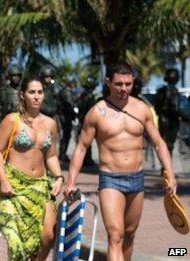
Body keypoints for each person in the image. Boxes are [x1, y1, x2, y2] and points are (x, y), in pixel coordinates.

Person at [64, 62, 178, 261]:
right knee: (115, 235)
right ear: (108, 82)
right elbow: (81, 147)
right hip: (110, 179)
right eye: (119, 84)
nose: (124, 89)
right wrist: (71, 181)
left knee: (130, 233)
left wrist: (170, 174)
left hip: (136, 177)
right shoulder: (97, 112)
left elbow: (159, 143)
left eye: (128, 84)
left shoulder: (142, 109)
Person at [0, 77, 64, 260]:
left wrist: (59, 177)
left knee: (48, 236)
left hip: (40, 187)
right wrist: (3, 181)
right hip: (13, 189)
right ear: (22, 94)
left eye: (40, 92)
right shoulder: (11, 120)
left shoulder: (50, 124)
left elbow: (51, 155)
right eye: (32, 92)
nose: (36, 96)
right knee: (18, 246)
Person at [154, 68, 181, 155]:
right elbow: (175, 108)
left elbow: (156, 107)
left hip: (162, 120)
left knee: (164, 145)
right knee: (169, 146)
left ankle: (165, 166)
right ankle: (167, 167)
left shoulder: (160, 90)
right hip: (171, 121)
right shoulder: (173, 91)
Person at [75, 76, 98, 166]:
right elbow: (91, 109)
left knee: (84, 140)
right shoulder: (88, 96)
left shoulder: (83, 95)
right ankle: (86, 160)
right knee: (86, 141)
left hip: (82, 119)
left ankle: (86, 160)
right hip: (86, 120)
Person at [0, 64, 23, 132]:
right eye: (14, 75)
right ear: (9, 77)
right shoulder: (3, 91)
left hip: (22, 124)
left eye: (18, 75)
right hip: (8, 124)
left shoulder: (25, 90)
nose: (16, 77)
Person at [58, 80, 76, 162]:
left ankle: (62, 154)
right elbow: (69, 105)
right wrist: (74, 115)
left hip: (65, 116)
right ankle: (62, 155)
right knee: (65, 137)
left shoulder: (64, 91)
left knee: (65, 137)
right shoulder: (66, 92)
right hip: (66, 117)